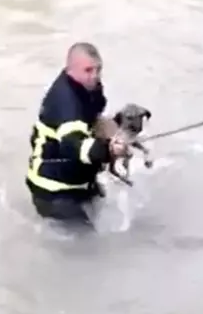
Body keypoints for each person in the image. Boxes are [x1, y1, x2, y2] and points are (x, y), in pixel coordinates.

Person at [25, 42, 128, 228]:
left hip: (80, 183)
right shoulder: (67, 102)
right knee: (89, 250)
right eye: (88, 70)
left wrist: (120, 127)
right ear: (70, 70)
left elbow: (94, 120)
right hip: (54, 192)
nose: (94, 76)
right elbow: (74, 145)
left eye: (98, 70)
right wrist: (109, 150)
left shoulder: (89, 88)